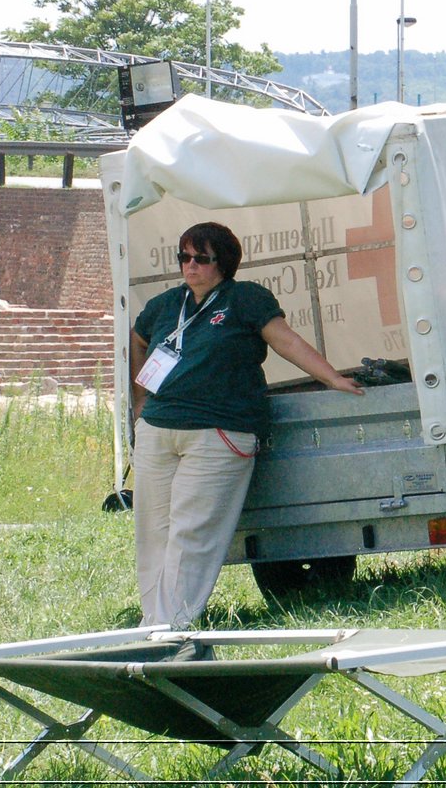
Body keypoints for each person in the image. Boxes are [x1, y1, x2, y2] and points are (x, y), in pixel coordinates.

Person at [128, 222, 363, 628]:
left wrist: (331, 377)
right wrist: (139, 405)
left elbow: (285, 341)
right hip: (159, 426)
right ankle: (155, 622)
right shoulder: (167, 304)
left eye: (201, 258)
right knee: (154, 530)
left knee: (192, 530)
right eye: (184, 257)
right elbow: (137, 339)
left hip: (218, 429)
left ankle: (175, 626)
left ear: (224, 262)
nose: (190, 266)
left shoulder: (245, 299)